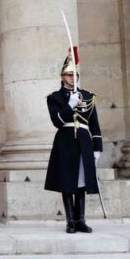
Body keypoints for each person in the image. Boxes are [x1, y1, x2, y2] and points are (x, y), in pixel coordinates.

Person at [44, 49, 102, 234]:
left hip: (84, 140)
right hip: (66, 140)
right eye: (69, 74)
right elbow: (57, 121)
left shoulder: (88, 96)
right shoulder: (55, 97)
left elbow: (94, 123)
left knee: (82, 181)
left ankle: (80, 220)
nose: (72, 77)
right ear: (62, 76)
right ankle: (70, 220)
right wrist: (70, 105)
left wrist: (97, 147)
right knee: (67, 180)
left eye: (75, 74)